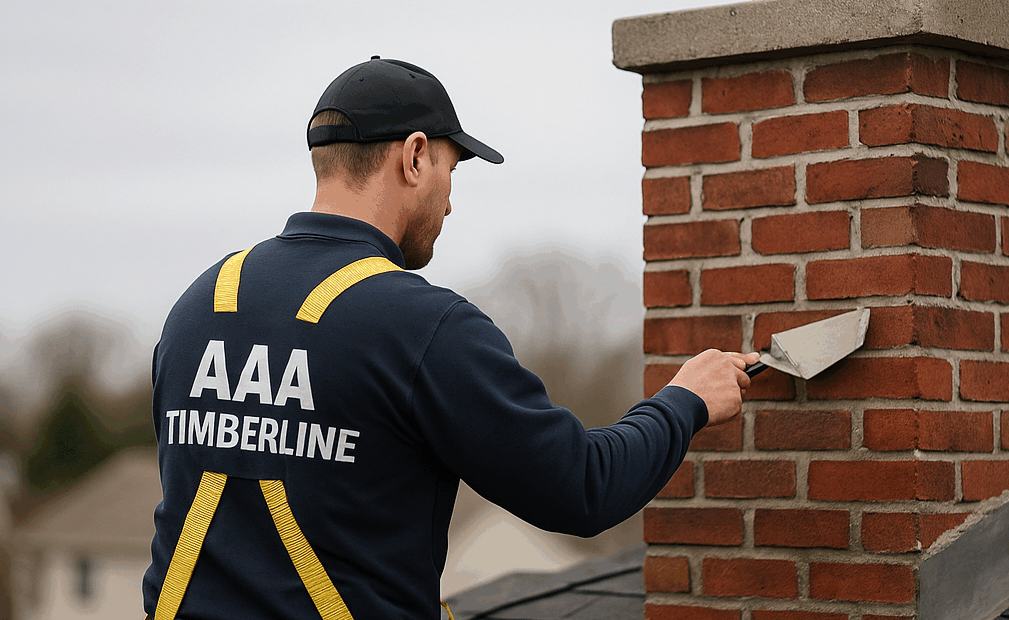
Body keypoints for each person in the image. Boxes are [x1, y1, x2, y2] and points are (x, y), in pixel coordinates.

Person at [143, 57, 757, 620]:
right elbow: (582, 489)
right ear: (413, 157)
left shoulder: (202, 304)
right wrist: (686, 401)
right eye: (451, 168)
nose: (450, 203)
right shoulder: (421, 327)